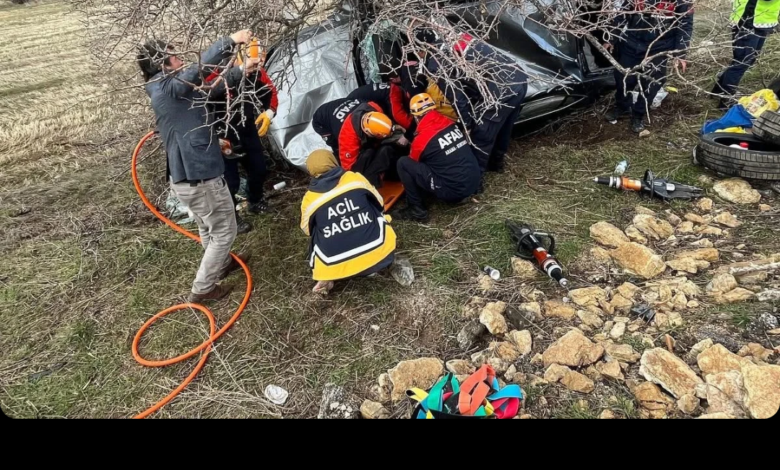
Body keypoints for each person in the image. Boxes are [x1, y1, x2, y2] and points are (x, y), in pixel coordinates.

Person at [138, 31, 256, 302]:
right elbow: (198, 71)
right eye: (173, 55)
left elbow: (208, 91)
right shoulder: (168, 87)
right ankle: (203, 289)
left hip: (187, 178)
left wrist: (240, 71)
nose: (179, 58)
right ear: (161, 63)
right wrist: (230, 40)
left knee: (206, 226)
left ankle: (221, 264)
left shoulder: (167, 89)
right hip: (199, 176)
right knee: (225, 231)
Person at [420, 32, 528, 174]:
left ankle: (475, 178)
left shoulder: (436, 61)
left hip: (501, 88)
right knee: (504, 126)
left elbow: (457, 96)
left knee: (480, 134)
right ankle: (496, 164)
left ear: (423, 48)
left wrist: (468, 124)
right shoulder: (453, 36)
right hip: (519, 77)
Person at [300, 149, 397, 294]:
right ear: (333, 161)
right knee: (376, 211)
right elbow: (380, 202)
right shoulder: (355, 178)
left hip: (335, 267)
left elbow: (306, 230)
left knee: (315, 233)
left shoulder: (309, 198)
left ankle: (327, 277)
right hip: (381, 256)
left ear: (311, 172)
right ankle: (374, 260)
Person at [604, 0, 694, 133]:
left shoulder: (683, 2)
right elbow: (622, 14)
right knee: (623, 77)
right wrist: (611, 38)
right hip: (632, 42)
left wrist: (680, 53)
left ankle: (638, 114)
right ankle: (622, 106)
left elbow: (685, 25)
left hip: (660, 46)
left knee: (653, 82)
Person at [211, 60, 279, 233]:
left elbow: (269, 90)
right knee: (230, 181)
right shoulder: (212, 71)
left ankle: (255, 201)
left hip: (246, 127)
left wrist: (269, 111)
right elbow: (202, 96)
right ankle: (232, 218)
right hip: (221, 134)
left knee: (259, 168)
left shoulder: (255, 70)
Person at [392, 93, 481, 223]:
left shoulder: (422, 140)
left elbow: (413, 164)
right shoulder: (449, 122)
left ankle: (416, 209)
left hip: (454, 191)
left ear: (416, 117)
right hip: (474, 181)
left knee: (403, 163)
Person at [311, 99, 397, 187]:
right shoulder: (347, 136)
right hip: (322, 121)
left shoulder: (375, 108)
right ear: (367, 131)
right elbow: (348, 168)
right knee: (339, 149)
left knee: (372, 148)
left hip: (340, 108)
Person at [712, 0, 780, 109]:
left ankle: (719, 90)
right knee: (742, 62)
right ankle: (726, 100)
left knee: (748, 60)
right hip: (748, 20)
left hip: (761, 21)